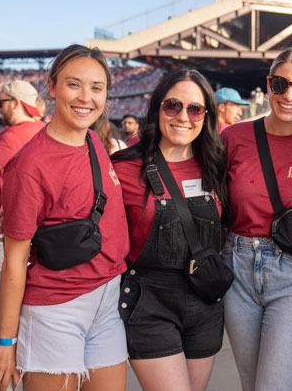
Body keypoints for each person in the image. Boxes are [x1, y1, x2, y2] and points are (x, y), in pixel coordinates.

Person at [0, 45, 129, 391]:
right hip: (56, 310)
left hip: (107, 301)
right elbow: (15, 261)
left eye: (97, 88)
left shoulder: (94, 141)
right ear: (51, 87)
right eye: (73, 84)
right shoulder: (28, 166)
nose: (86, 98)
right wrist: (7, 343)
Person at [221, 46, 292, 391]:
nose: (288, 95)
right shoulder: (233, 138)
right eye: (280, 84)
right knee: (253, 385)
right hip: (237, 269)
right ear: (268, 85)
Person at [112, 67, 227, 391]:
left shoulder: (216, 163)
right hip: (150, 303)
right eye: (173, 105)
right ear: (157, 107)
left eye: (195, 109)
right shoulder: (124, 166)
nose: (183, 117)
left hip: (205, 304)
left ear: (206, 116)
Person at [0, 80, 44, 274]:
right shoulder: (42, 128)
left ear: (15, 103)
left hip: (6, 223)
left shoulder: (13, 135)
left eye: (1, 103)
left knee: (4, 282)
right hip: (33, 220)